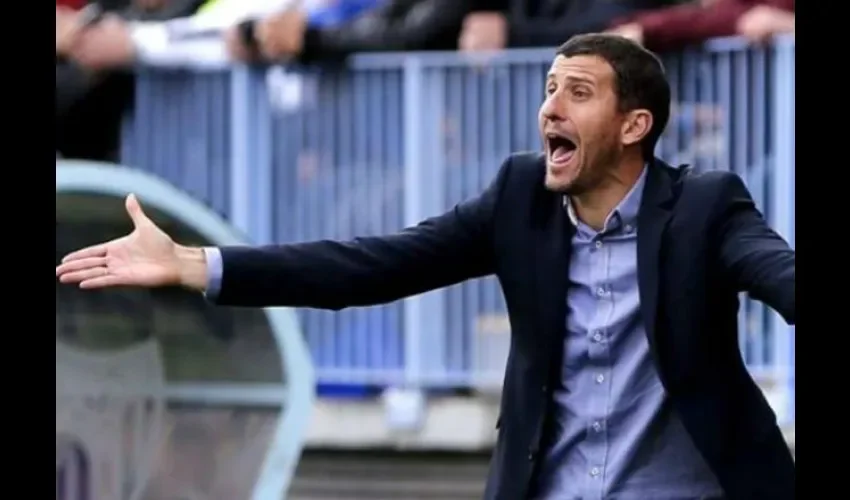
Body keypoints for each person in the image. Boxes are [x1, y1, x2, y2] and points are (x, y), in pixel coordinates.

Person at [56, 34, 795, 500]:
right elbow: (373, 265)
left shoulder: (702, 207)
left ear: (636, 126)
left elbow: (777, 273)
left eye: (578, 93)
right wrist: (197, 264)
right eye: (547, 90)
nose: (549, 110)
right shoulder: (519, 199)